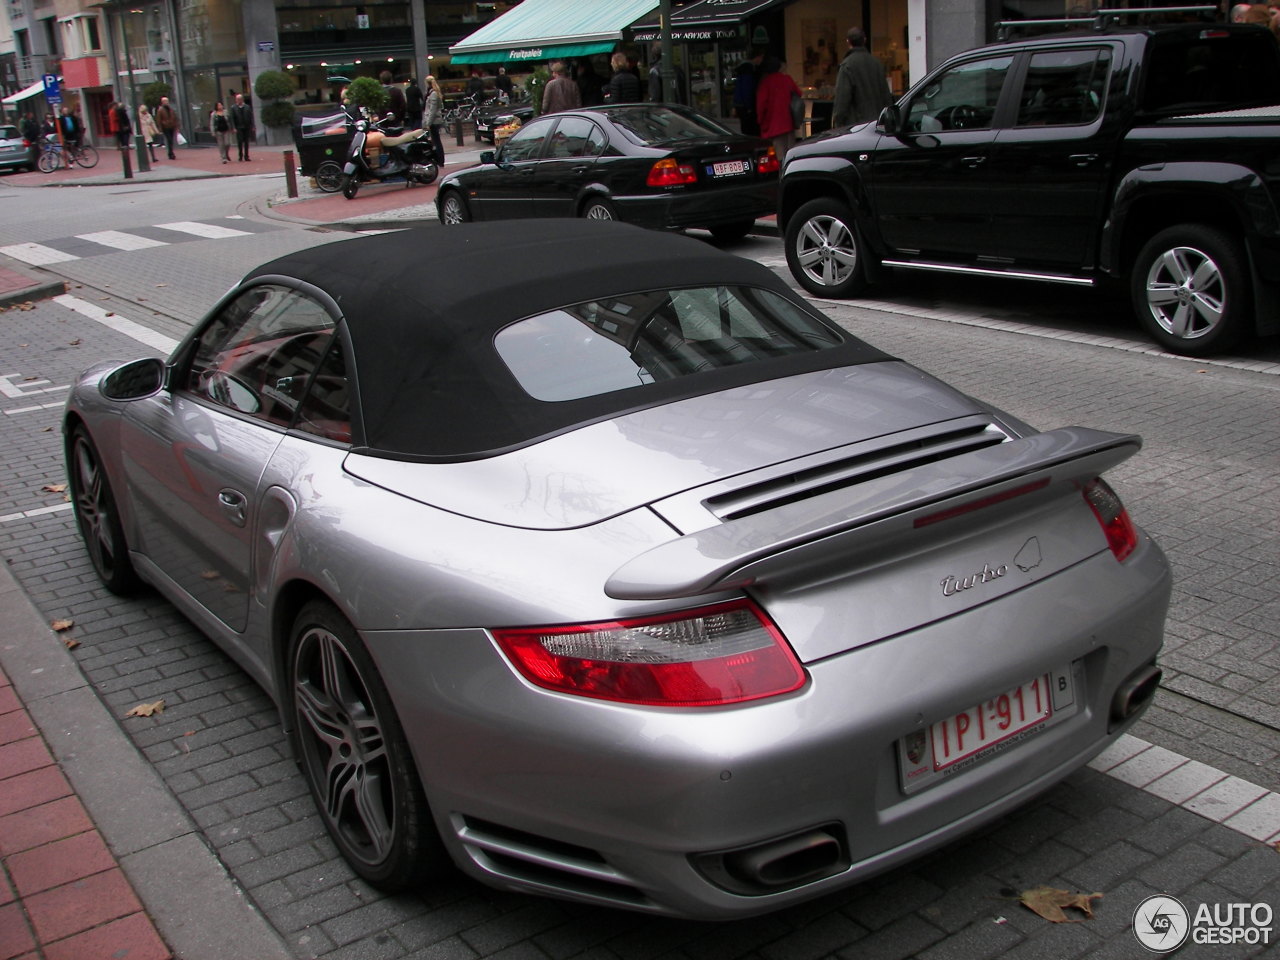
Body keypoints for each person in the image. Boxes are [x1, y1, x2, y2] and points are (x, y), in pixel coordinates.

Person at [831, 26, 893, 128]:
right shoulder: (877, 64)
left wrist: (837, 122)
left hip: (856, 126)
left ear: (848, 42)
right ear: (865, 40)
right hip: (877, 124)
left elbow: (842, 100)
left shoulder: (847, 65)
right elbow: (886, 96)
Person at [757, 57, 802, 160]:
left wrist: (760, 121)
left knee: (778, 157)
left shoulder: (765, 83)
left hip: (772, 125)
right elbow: (798, 93)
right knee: (791, 154)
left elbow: (761, 105)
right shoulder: (787, 79)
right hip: (788, 122)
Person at [733, 49, 764, 136]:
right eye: (761, 58)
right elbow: (747, 90)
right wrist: (750, 107)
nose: (761, 60)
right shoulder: (748, 70)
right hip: (746, 107)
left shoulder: (744, 69)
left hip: (742, 105)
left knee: (746, 130)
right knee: (751, 131)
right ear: (757, 57)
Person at [424, 75, 445, 166]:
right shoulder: (434, 92)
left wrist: (428, 122)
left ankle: (440, 160)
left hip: (434, 121)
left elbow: (432, 110)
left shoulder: (433, 94)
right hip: (435, 120)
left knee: (436, 141)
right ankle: (438, 159)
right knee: (435, 141)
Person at [230, 93, 254, 161]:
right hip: (238, 127)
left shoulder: (247, 107)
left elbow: (250, 117)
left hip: (246, 126)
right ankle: (240, 155)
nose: (239, 100)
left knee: (246, 141)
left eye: (240, 99)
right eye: (237, 99)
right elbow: (232, 118)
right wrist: (234, 127)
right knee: (240, 141)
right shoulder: (233, 107)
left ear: (242, 99)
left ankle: (246, 156)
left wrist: (252, 126)